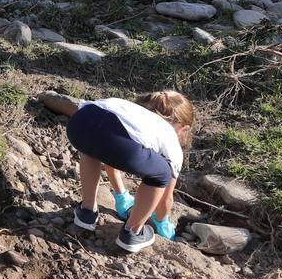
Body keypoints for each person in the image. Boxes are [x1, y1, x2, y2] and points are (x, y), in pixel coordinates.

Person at [67, 90, 194, 254]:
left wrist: (121, 195)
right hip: (108, 134)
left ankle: (87, 212)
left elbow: (109, 157)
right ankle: (133, 233)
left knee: (93, 147)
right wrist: (162, 222)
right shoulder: (169, 138)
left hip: (81, 121)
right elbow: (165, 200)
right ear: (183, 128)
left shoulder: (131, 112)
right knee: (162, 174)